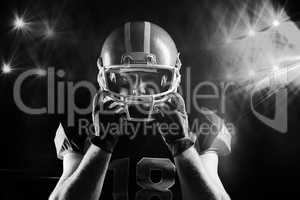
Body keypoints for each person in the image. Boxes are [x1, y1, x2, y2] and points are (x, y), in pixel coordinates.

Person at [49, 21, 232, 200]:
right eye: (125, 78)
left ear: (174, 75)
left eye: (150, 78)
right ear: (104, 75)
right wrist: (101, 143)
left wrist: (181, 144)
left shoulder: (201, 123)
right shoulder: (83, 122)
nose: (138, 91)